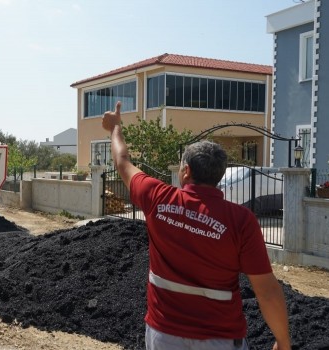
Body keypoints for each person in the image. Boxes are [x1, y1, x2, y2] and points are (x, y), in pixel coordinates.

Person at [102, 101, 291, 350]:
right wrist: (283, 342)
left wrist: (115, 127)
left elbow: (122, 160)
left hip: (163, 335)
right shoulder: (241, 220)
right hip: (221, 339)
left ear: (186, 171)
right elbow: (266, 291)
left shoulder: (157, 196)